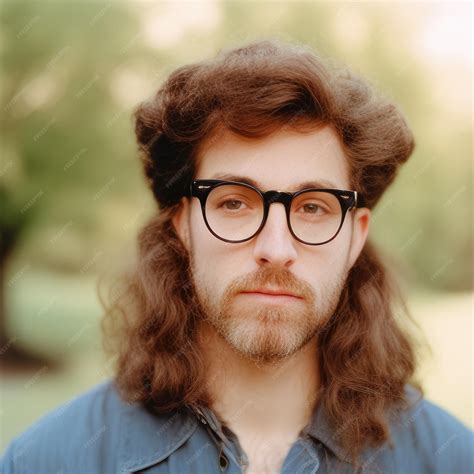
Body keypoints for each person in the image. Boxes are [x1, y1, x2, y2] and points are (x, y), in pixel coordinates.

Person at [2, 38, 473, 474]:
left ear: (354, 236)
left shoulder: (452, 460)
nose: (275, 250)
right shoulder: (44, 462)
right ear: (182, 224)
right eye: (233, 202)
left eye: (312, 208)